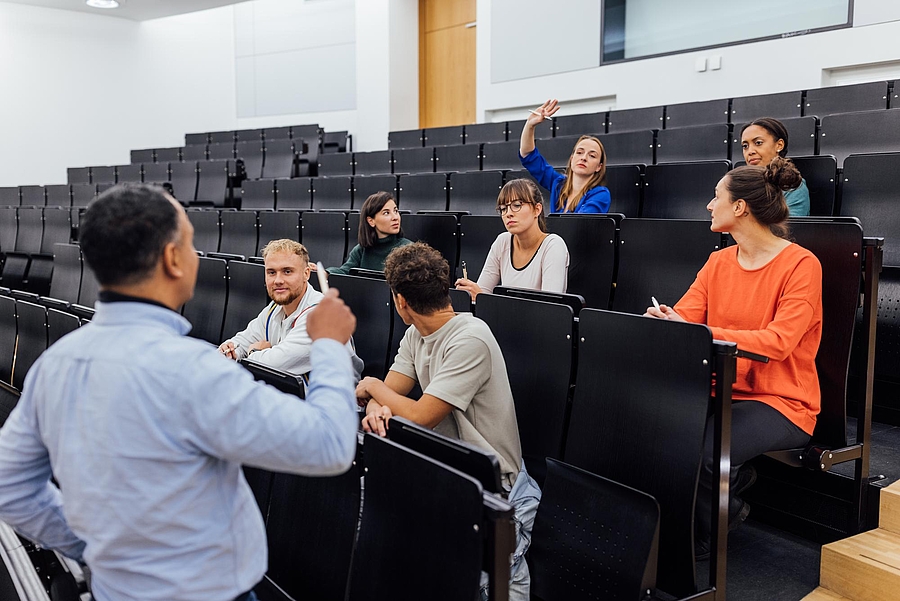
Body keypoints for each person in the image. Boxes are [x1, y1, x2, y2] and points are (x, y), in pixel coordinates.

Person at [0, 184, 360, 601]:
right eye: (190, 244)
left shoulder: (55, 364)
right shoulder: (193, 370)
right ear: (173, 259)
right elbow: (329, 445)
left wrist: (96, 547)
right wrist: (330, 344)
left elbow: (9, 486)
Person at [644, 157, 822, 558]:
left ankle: (705, 538)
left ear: (740, 207)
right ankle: (724, 500)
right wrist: (666, 319)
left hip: (782, 401)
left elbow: (778, 342)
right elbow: (687, 315)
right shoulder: (718, 261)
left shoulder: (801, 265)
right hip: (721, 385)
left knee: (708, 452)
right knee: (654, 428)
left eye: (716, 197)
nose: (709, 205)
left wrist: (703, 333)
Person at [358, 242, 540, 601]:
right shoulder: (417, 333)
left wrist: (373, 387)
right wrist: (377, 405)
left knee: (495, 588)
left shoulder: (471, 338)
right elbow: (391, 392)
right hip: (450, 474)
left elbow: (421, 416)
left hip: (498, 493)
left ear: (400, 302)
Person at [219, 238, 363, 379]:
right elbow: (245, 339)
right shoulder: (276, 307)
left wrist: (253, 351)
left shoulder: (320, 315)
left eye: (287, 271)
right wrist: (231, 350)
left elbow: (273, 365)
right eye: (271, 272)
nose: (278, 280)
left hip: (331, 394)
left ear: (306, 274)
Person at [455, 178, 569, 301]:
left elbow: (549, 306)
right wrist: (472, 293)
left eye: (517, 205)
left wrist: (482, 298)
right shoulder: (502, 241)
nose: (508, 213)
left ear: (537, 209)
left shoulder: (553, 246)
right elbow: (482, 293)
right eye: (503, 209)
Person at [519, 98, 611, 214]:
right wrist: (530, 125)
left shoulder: (601, 194)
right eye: (579, 152)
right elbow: (528, 155)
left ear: (599, 167)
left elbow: (578, 223)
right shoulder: (559, 184)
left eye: (592, 156)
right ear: (572, 159)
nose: (583, 158)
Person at [326, 191, 412, 275]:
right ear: (371, 221)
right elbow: (345, 271)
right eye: (386, 213)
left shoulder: (409, 249)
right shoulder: (361, 250)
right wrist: (326, 273)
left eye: (396, 211)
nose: (395, 217)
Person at [740, 117, 810, 216]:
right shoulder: (737, 184)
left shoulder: (792, 185)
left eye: (758, 143)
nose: (750, 151)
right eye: (745, 146)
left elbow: (789, 224)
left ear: (779, 145)